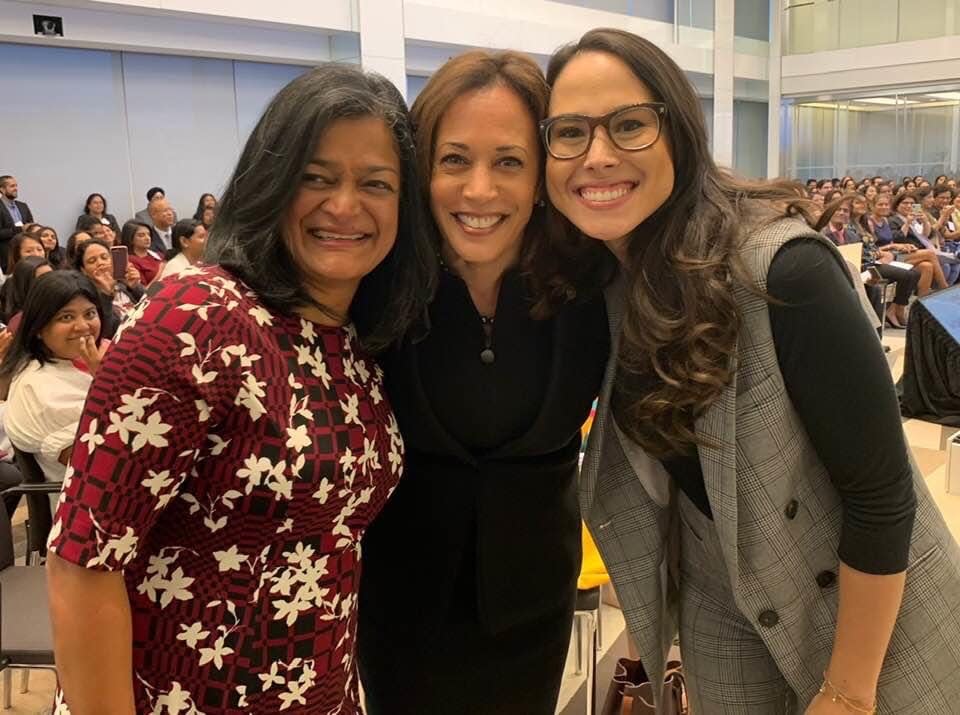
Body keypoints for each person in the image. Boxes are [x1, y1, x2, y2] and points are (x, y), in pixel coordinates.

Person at [544, 28, 960, 714]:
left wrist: (850, 693)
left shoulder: (784, 272)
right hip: (722, 601)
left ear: (677, 130)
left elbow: (882, 494)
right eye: (570, 132)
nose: (597, 155)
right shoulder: (604, 282)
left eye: (627, 125)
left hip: (867, 611)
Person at [45, 63, 435, 715]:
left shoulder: (359, 344)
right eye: (316, 176)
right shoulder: (198, 314)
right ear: (271, 182)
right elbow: (82, 561)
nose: (345, 204)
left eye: (376, 183)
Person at [357, 50, 609, 715]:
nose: (479, 191)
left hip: (534, 607)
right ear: (421, 168)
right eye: (454, 160)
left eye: (508, 161)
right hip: (399, 607)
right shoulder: (377, 285)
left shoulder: (590, 282)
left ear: (543, 174)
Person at [0, 271, 103, 484]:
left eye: (90, 314)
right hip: (94, 503)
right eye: (66, 317)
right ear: (38, 328)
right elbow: (99, 465)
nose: (83, 326)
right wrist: (108, 382)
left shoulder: (80, 361)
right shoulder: (40, 389)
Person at [73, 238, 144, 340]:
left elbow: (152, 307)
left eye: (104, 257)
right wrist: (106, 294)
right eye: (92, 261)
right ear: (83, 270)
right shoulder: (86, 298)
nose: (100, 263)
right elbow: (107, 333)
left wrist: (136, 287)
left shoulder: (122, 285)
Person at [888, 192, 950, 290]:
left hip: (917, 252)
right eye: (905, 203)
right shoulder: (893, 220)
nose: (908, 206)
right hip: (900, 254)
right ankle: (944, 287)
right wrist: (907, 223)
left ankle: (922, 299)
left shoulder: (915, 220)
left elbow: (927, 235)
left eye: (912, 204)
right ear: (897, 205)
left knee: (927, 266)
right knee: (930, 254)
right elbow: (897, 238)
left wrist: (925, 221)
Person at [3, 256, 52, 331]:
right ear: (25, 285)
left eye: (51, 276)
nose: (51, 282)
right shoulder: (19, 323)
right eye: (42, 279)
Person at [0, 176, 34, 272]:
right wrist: (20, 229)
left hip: (25, 254)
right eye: (12, 186)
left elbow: (30, 225)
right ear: (2, 189)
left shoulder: (22, 206)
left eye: (16, 185)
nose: (16, 188)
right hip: (6, 257)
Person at [120, 220, 164, 285]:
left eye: (148, 234)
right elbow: (143, 291)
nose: (147, 238)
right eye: (141, 235)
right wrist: (160, 272)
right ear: (130, 239)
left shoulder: (159, 255)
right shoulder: (130, 261)